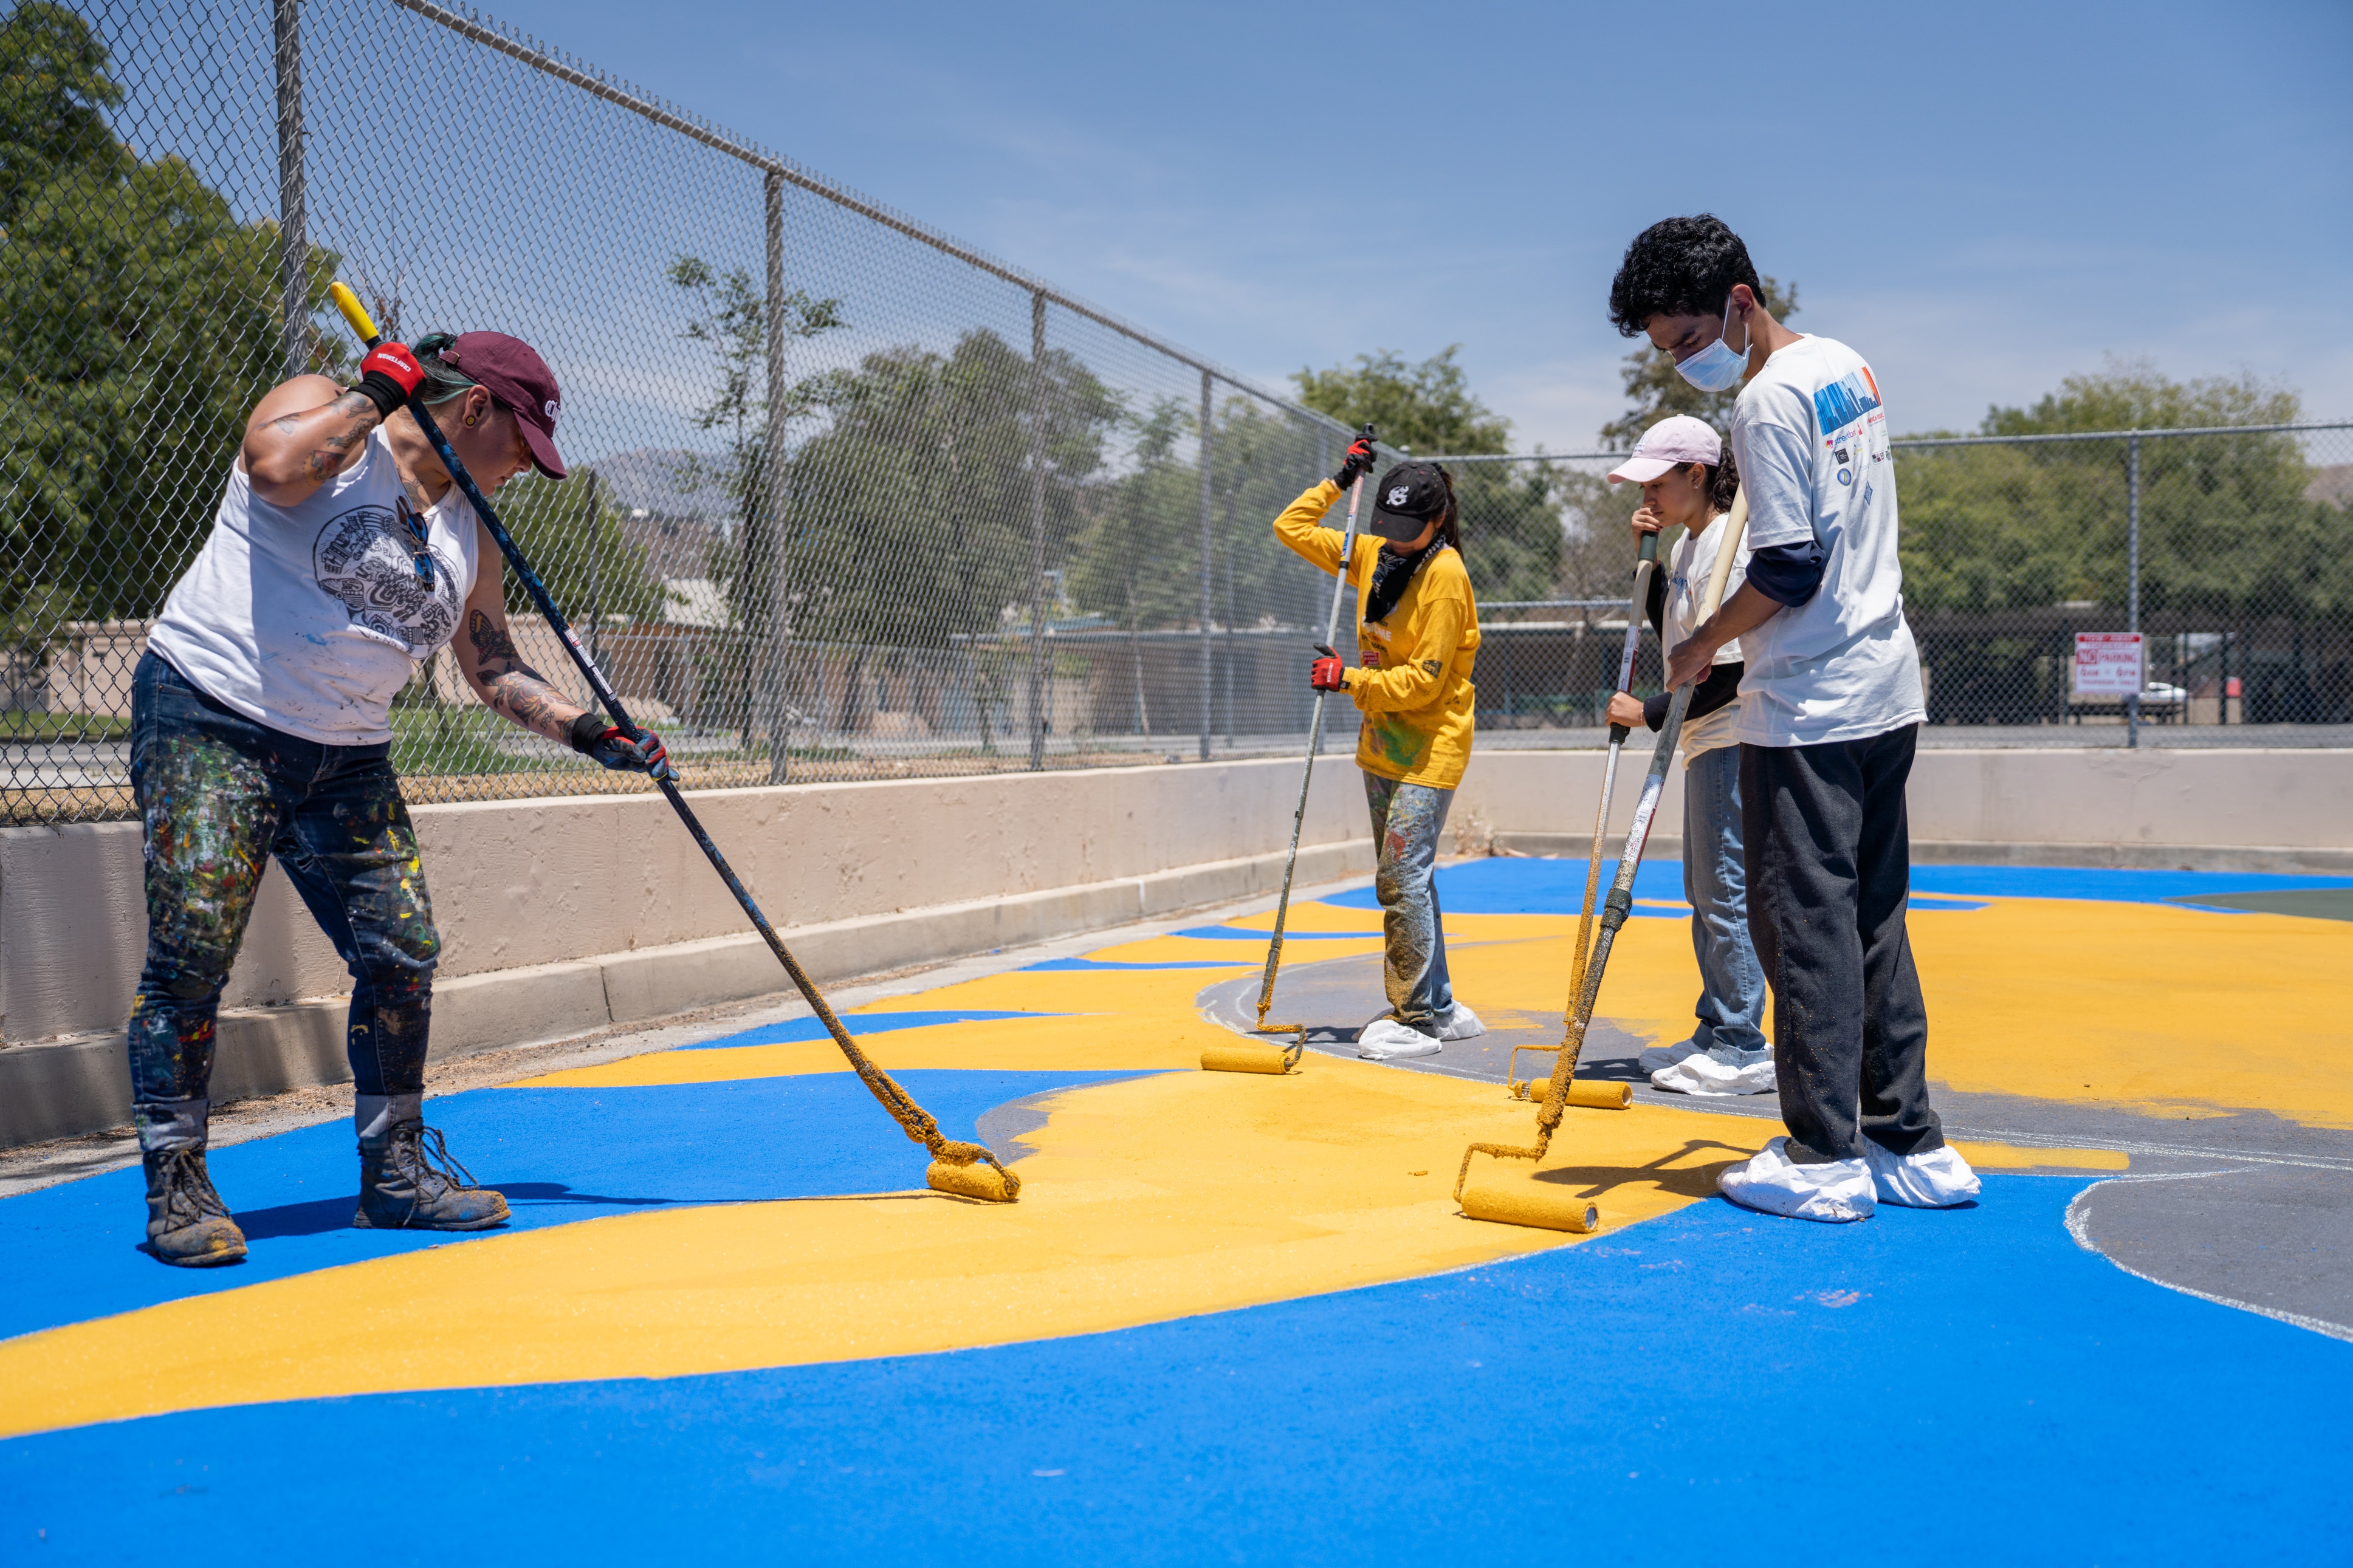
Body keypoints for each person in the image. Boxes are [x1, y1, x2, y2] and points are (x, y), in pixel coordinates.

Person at [128, 328, 671, 1266]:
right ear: (474, 409)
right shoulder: (329, 413)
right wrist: (375, 394)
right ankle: (177, 1183)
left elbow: (489, 661)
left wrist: (586, 730)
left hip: (346, 754)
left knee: (401, 950)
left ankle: (395, 1174)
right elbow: (273, 467)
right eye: (519, 448)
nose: (517, 474)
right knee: (192, 952)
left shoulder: (470, 523)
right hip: (213, 713)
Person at [1608, 213, 1979, 1221]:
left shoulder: (1764, 406)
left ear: (1738, 300)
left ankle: (1822, 1155)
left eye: (1685, 341)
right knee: (1871, 918)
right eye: (1665, 352)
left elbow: (1786, 566)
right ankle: (1910, 1142)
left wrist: (1698, 647)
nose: (1683, 363)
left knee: (1801, 925)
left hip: (1808, 705)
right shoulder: (1844, 366)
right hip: (1884, 687)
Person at [1273, 438, 1485, 1060]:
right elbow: (1290, 526)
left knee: (1400, 880)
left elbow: (1424, 684)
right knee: (1407, 880)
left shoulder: (1445, 577)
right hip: (1381, 745)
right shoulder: (1369, 553)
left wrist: (1349, 680)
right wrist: (1340, 478)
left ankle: (1416, 1018)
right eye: (1384, 526)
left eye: (1406, 528)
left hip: (1429, 746)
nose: (1392, 538)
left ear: (1437, 520)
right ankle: (1439, 1005)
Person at [1601, 416, 1772, 1097]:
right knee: (1702, 891)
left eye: (1657, 481)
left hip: (1729, 733)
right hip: (1701, 740)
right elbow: (1673, 638)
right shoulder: (1688, 548)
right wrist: (1646, 556)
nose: (1647, 492)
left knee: (1723, 890)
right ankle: (1714, 1025)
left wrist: (1646, 712)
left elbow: (1724, 670)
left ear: (1696, 475)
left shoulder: (1728, 544)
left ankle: (1741, 1042)